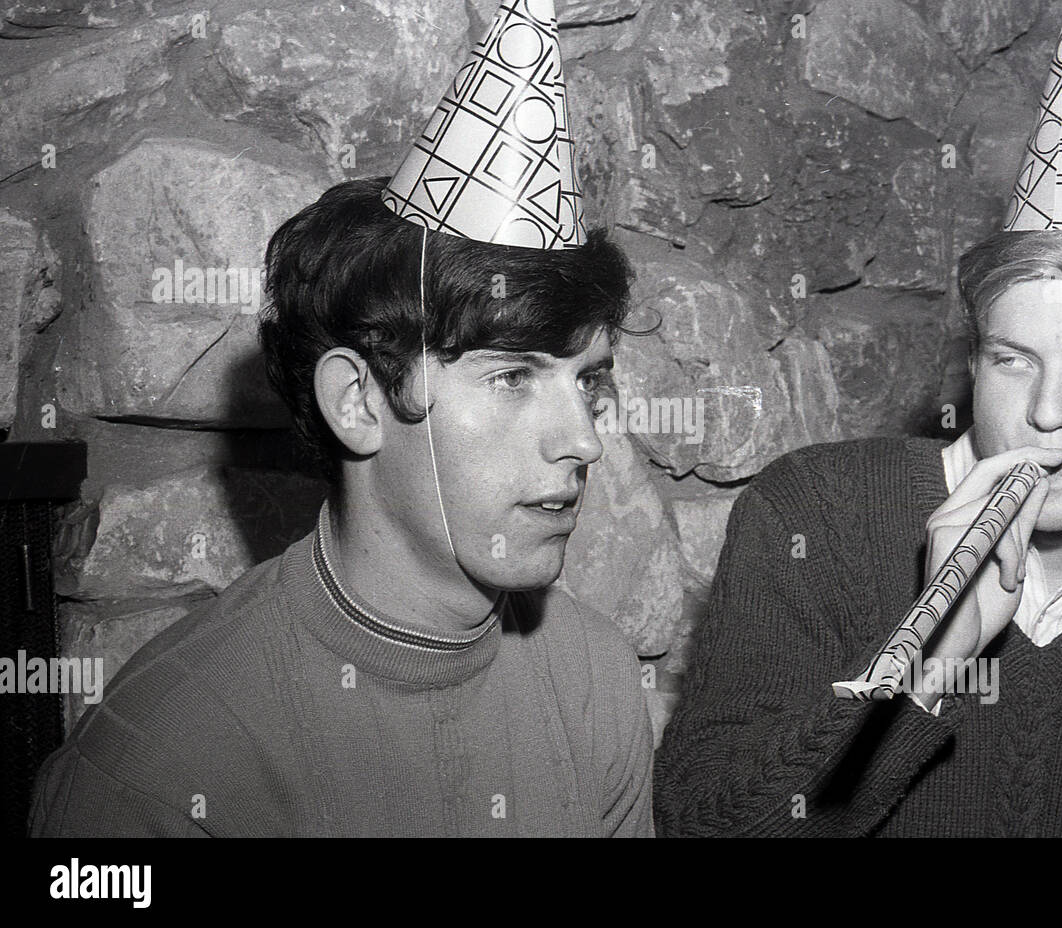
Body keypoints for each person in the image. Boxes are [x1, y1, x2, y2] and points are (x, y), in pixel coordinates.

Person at [29, 176, 654, 836]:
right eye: (512, 377)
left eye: (587, 379)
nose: (583, 439)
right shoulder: (158, 766)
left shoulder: (595, 676)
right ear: (357, 403)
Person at [653, 214, 1062, 837]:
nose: (1046, 414)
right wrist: (933, 660)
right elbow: (707, 825)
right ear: (973, 364)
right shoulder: (812, 511)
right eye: (1013, 360)